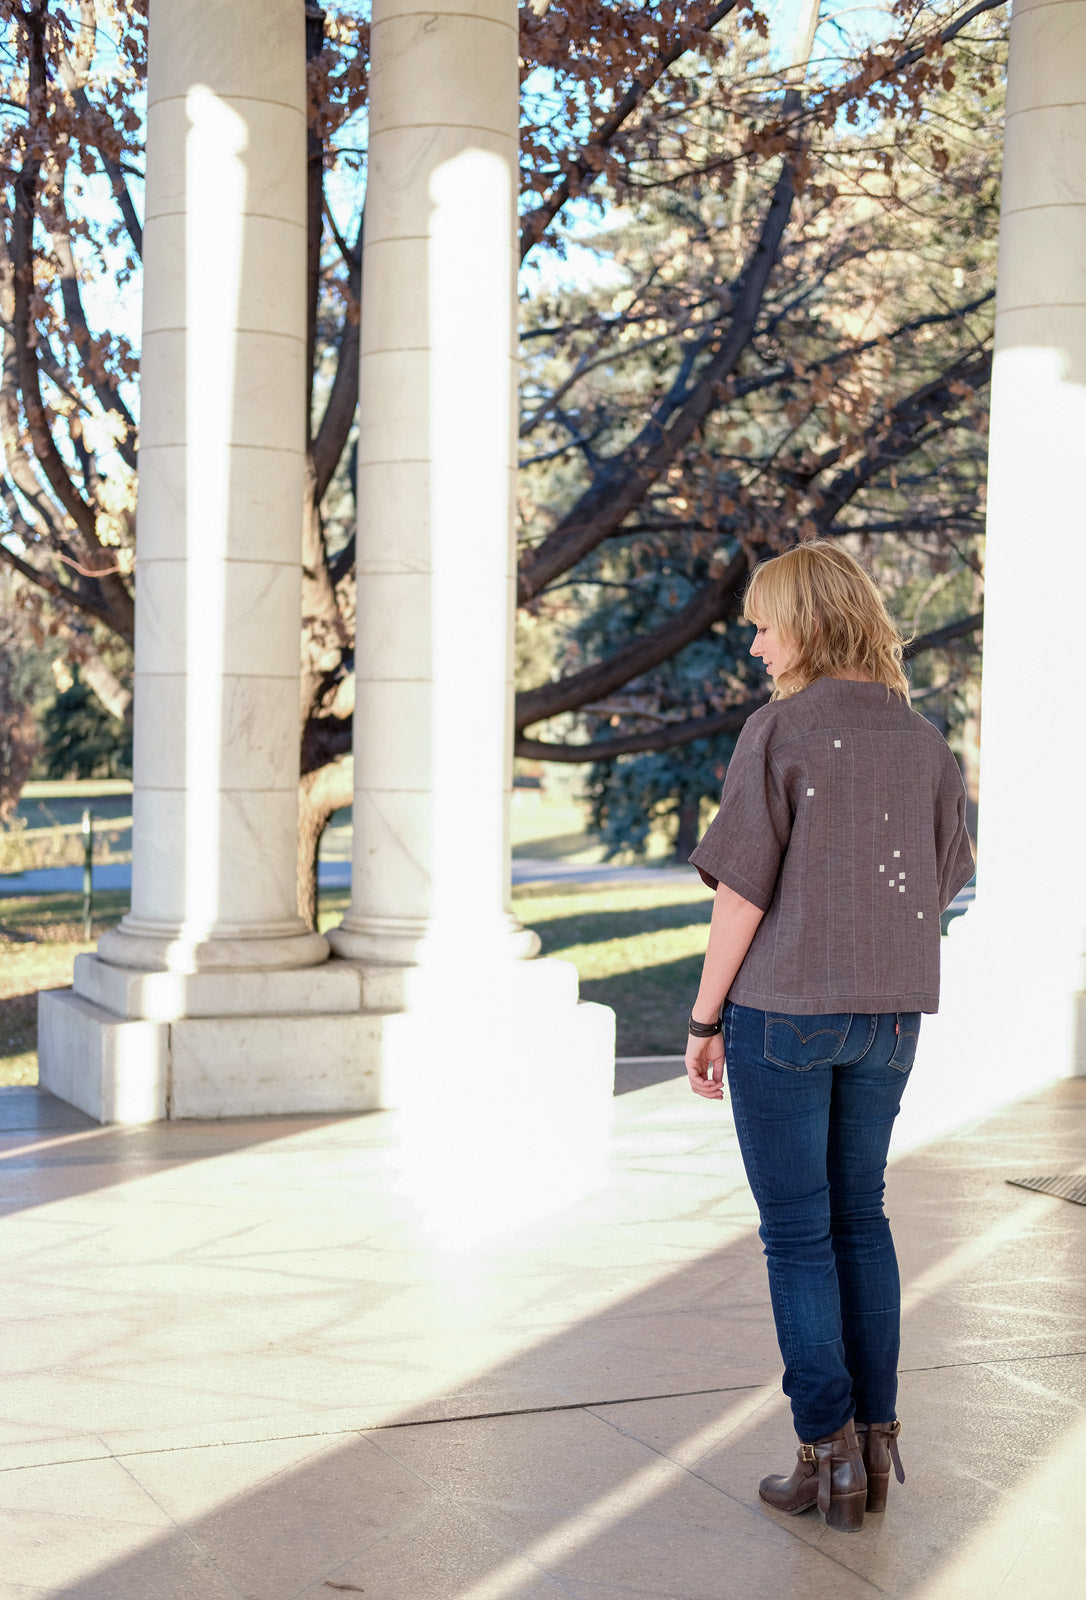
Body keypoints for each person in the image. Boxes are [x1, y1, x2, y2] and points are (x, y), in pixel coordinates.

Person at [685, 540, 974, 1532]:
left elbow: (740, 891)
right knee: (863, 1220)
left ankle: (827, 1454)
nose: (755, 640)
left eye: (765, 622)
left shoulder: (780, 730)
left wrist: (705, 1013)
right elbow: (943, 878)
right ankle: (878, 1446)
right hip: (891, 1018)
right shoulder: (927, 743)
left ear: (805, 623)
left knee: (798, 1233)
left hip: (785, 1011)